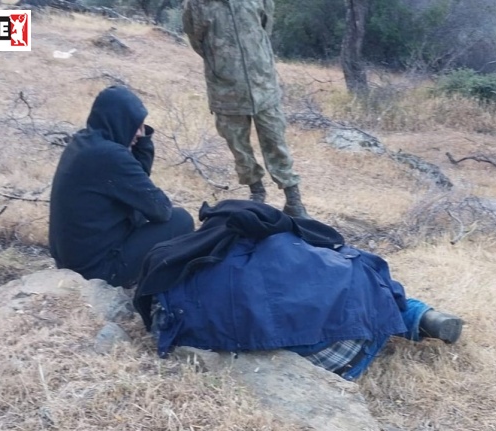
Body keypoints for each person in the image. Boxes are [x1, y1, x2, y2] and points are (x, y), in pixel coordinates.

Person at [134, 200, 463, 380]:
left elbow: (149, 300)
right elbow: (365, 273)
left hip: (183, 327)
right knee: (372, 290)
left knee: (357, 293)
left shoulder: (177, 257)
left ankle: (417, 315)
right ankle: (419, 316)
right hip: (330, 354)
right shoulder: (294, 250)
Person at [49, 86, 195, 289]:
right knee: (181, 220)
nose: (139, 133)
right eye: (135, 126)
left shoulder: (85, 142)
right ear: (118, 121)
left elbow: (138, 184)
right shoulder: (110, 157)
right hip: (97, 271)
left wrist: (142, 140)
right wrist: (142, 143)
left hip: (72, 262)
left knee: (139, 211)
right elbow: (160, 210)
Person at [182, 0, 311, 219]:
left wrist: (254, 58)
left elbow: (264, 27)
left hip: (263, 84)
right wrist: (223, 62)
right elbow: (197, 41)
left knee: (276, 142)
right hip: (226, 88)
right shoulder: (196, 3)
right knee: (239, 148)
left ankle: (293, 201)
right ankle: (257, 193)